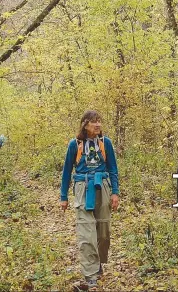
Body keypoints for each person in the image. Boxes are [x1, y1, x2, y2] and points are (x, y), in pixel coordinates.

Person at [60, 110, 119, 292]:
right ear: (85, 125)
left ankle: (98, 263)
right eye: (94, 122)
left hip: (103, 187)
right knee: (87, 235)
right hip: (82, 189)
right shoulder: (74, 144)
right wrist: (63, 197)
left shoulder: (105, 143)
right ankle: (90, 276)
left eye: (99, 121)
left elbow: (113, 169)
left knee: (103, 233)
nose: (98, 125)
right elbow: (66, 171)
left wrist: (115, 193)